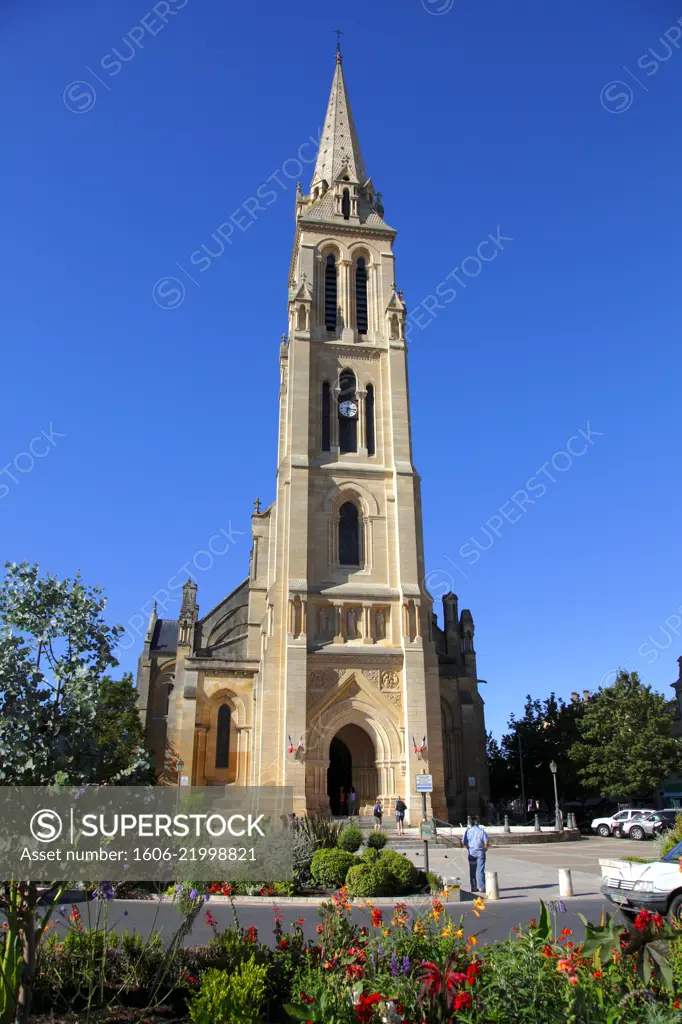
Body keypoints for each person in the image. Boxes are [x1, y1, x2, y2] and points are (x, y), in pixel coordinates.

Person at [461, 817, 489, 893]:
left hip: (471, 852)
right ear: (478, 823)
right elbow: (486, 843)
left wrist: (468, 847)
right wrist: (485, 849)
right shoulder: (482, 831)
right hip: (480, 853)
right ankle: (482, 887)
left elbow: (463, 842)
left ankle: (473, 887)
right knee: (480, 870)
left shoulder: (468, 831)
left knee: (472, 870)